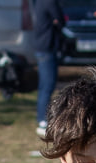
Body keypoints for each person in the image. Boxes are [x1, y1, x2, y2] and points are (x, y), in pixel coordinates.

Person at [32, 0, 65, 138]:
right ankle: (43, 121)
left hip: (41, 47)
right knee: (47, 85)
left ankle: (42, 119)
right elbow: (61, 19)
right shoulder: (49, 1)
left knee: (44, 86)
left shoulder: (38, 2)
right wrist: (57, 22)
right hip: (47, 48)